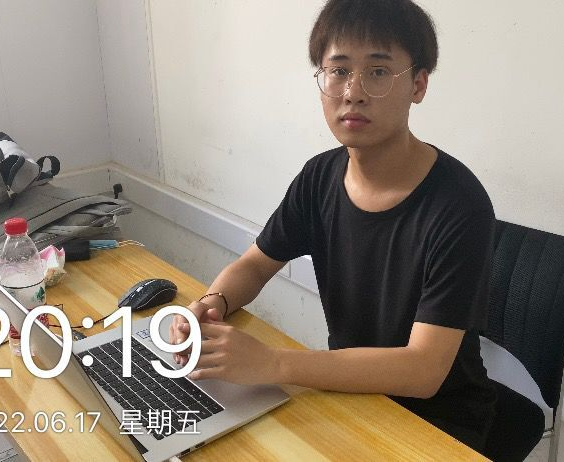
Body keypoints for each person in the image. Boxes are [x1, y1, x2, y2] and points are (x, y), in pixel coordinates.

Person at [170, 0, 498, 451]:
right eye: (338, 71)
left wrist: (273, 364)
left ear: (418, 84)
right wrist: (212, 304)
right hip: (350, 395)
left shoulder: (460, 204)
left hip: (438, 421)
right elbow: (255, 265)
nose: (353, 92)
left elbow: (423, 371)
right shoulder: (320, 177)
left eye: (378, 72)